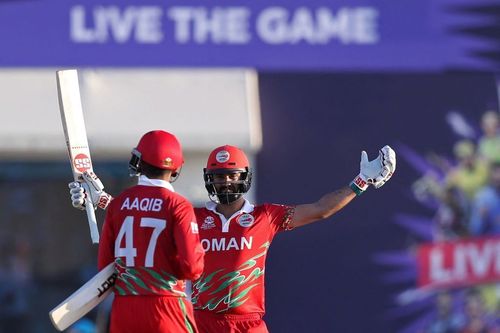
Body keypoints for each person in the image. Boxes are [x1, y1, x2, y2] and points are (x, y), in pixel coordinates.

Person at [70, 143, 396, 333]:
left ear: (244, 178)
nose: (225, 182)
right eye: (218, 176)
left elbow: (320, 209)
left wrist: (361, 181)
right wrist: (98, 198)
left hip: (249, 324)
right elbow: (141, 214)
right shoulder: (193, 215)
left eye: (231, 175)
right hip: (201, 321)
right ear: (208, 179)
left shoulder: (265, 216)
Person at [72, 130, 205, 333]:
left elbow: (105, 266)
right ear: (176, 168)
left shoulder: (120, 204)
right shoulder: (178, 205)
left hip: (125, 308)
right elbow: (192, 268)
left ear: (138, 161)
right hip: (166, 306)